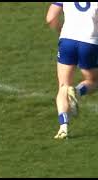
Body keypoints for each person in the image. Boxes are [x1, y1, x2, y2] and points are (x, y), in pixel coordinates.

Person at [46, 2, 98, 139]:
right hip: (90, 42)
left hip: (67, 40)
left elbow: (50, 17)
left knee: (63, 85)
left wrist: (60, 32)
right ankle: (77, 91)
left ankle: (63, 127)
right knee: (93, 80)